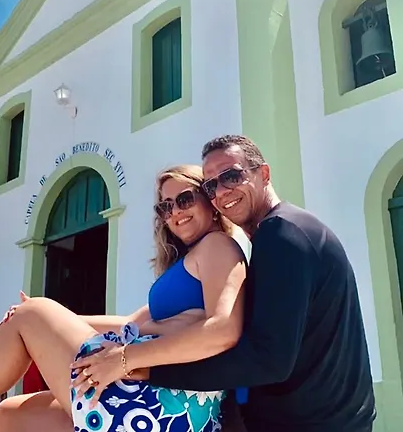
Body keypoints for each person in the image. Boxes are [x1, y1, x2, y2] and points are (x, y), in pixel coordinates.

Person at [0, 164, 246, 432]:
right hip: (153, 403)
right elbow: (130, 324)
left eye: (185, 199)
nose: (175, 212)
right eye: (165, 207)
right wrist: (53, 319)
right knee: (9, 415)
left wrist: (124, 358)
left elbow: (223, 329)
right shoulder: (188, 262)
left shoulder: (217, 245)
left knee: (33, 315)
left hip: (167, 405)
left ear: (209, 200)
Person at [127, 135, 375, 432]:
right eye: (211, 186)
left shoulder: (282, 234)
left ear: (264, 174)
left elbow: (267, 359)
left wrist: (151, 370)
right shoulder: (286, 231)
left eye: (231, 176)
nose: (222, 191)